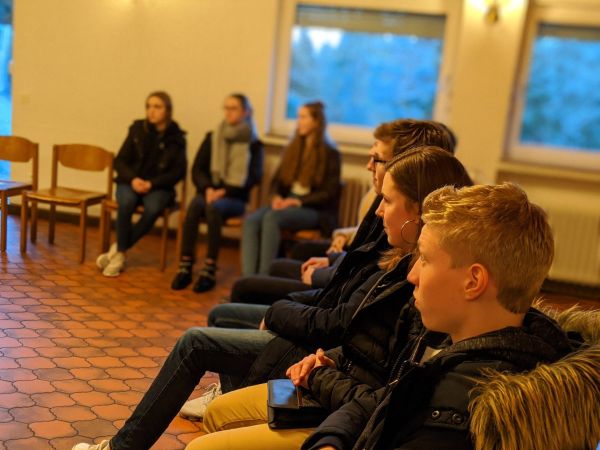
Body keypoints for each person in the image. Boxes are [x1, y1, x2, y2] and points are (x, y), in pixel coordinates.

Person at [70, 145, 471, 450]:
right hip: (328, 372)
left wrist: (313, 358)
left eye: (388, 199)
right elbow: (361, 342)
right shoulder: (398, 258)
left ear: (418, 210)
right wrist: (327, 357)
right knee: (229, 319)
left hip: (331, 389)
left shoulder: (420, 289)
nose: (379, 210)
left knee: (196, 344)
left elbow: (370, 372)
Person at [301, 182, 576, 450]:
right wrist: (332, 439)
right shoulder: (466, 345)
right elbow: (384, 403)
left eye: (425, 259)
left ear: (473, 281)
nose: (412, 275)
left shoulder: (455, 413)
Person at [171, 93, 263, 292]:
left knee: (213, 208)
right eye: (226, 108)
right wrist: (208, 188)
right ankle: (185, 264)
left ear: (246, 112)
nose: (228, 112)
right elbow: (197, 169)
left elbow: (253, 177)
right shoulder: (213, 136)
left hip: (235, 198)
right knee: (195, 205)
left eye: (234, 108)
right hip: (209, 191)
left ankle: (209, 268)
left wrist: (224, 191)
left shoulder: (254, 143)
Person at [241, 101, 341, 276]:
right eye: (298, 117)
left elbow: (328, 193)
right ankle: (248, 278)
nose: (298, 122)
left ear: (316, 122)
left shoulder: (331, 153)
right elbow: (277, 182)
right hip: (287, 203)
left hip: (313, 209)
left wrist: (297, 202)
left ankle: (263, 278)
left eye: (303, 117)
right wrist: (276, 197)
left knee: (272, 218)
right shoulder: (292, 148)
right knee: (251, 221)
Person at [96, 91, 186, 277]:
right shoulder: (137, 129)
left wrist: (152, 184)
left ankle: (118, 251)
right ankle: (120, 254)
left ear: (168, 110)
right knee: (126, 202)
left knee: (153, 208)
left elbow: (178, 172)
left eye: (157, 107)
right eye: (148, 106)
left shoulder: (176, 138)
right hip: (131, 182)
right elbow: (120, 161)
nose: (151, 111)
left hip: (159, 187)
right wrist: (133, 179)